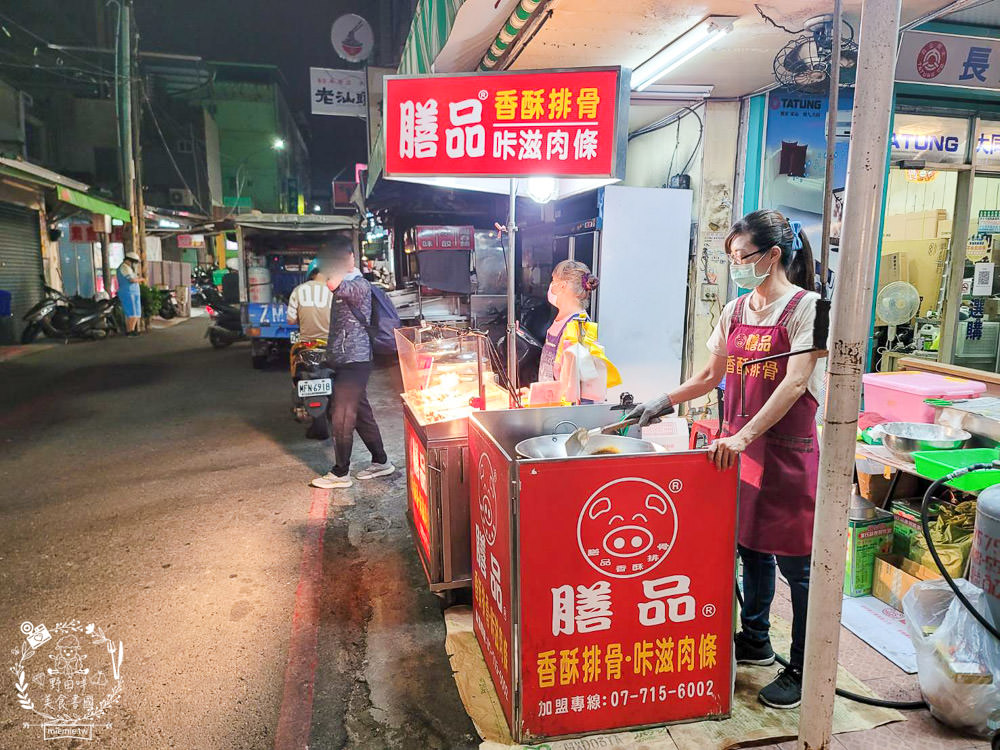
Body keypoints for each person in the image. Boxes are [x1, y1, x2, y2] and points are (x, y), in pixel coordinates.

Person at [628, 209, 824, 710]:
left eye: (741, 257)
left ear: (773, 255)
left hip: (786, 453)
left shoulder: (809, 308)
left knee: (798, 566)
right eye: (731, 258)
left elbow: (795, 382)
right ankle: (756, 640)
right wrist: (659, 402)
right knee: (750, 547)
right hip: (737, 449)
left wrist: (745, 436)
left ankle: (805, 666)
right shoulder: (735, 311)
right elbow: (707, 377)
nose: (735, 266)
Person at [310, 235, 394, 489]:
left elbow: (333, 283)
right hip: (345, 359)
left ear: (348, 259)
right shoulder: (348, 283)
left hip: (356, 359)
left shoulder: (358, 285)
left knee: (342, 414)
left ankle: (341, 472)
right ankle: (381, 461)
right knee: (361, 414)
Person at [536, 260, 619, 404]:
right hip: (551, 406)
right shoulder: (560, 320)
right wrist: (537, 394)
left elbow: (583, 388)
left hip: (564, 417)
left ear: (562, 285)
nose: (551, 285)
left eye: (553, 280)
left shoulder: (579, 327)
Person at [286, 259, 332, 343]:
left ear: (311, 274)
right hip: (329, 343)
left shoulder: (298, 290)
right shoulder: (334, 292)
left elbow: (291, 320)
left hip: (306, 343)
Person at [116, 252, 144, 336]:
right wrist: (141, 279)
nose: (134, 264)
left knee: (133, 313)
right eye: (134, 262)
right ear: (129, 260)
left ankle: (130, 331)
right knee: (133, 313)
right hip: (129, 292)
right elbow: (131, 280)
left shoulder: (127, 268)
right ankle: (130, 331)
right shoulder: (124, 267)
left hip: (131, 292)